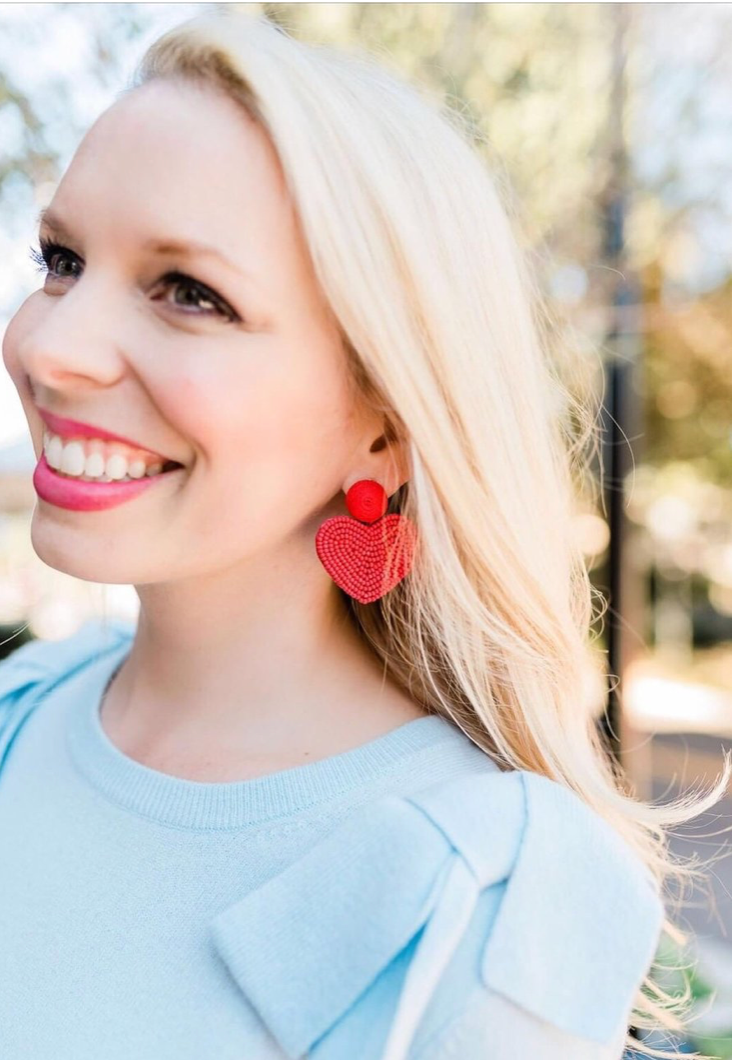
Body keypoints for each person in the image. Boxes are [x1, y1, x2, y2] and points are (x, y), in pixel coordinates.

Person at [0, 10, 725, 1060]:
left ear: (383, 427)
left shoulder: (476, 895)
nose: (52, 347)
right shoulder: (22, 712)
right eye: (61, 258)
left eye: (192, 294)